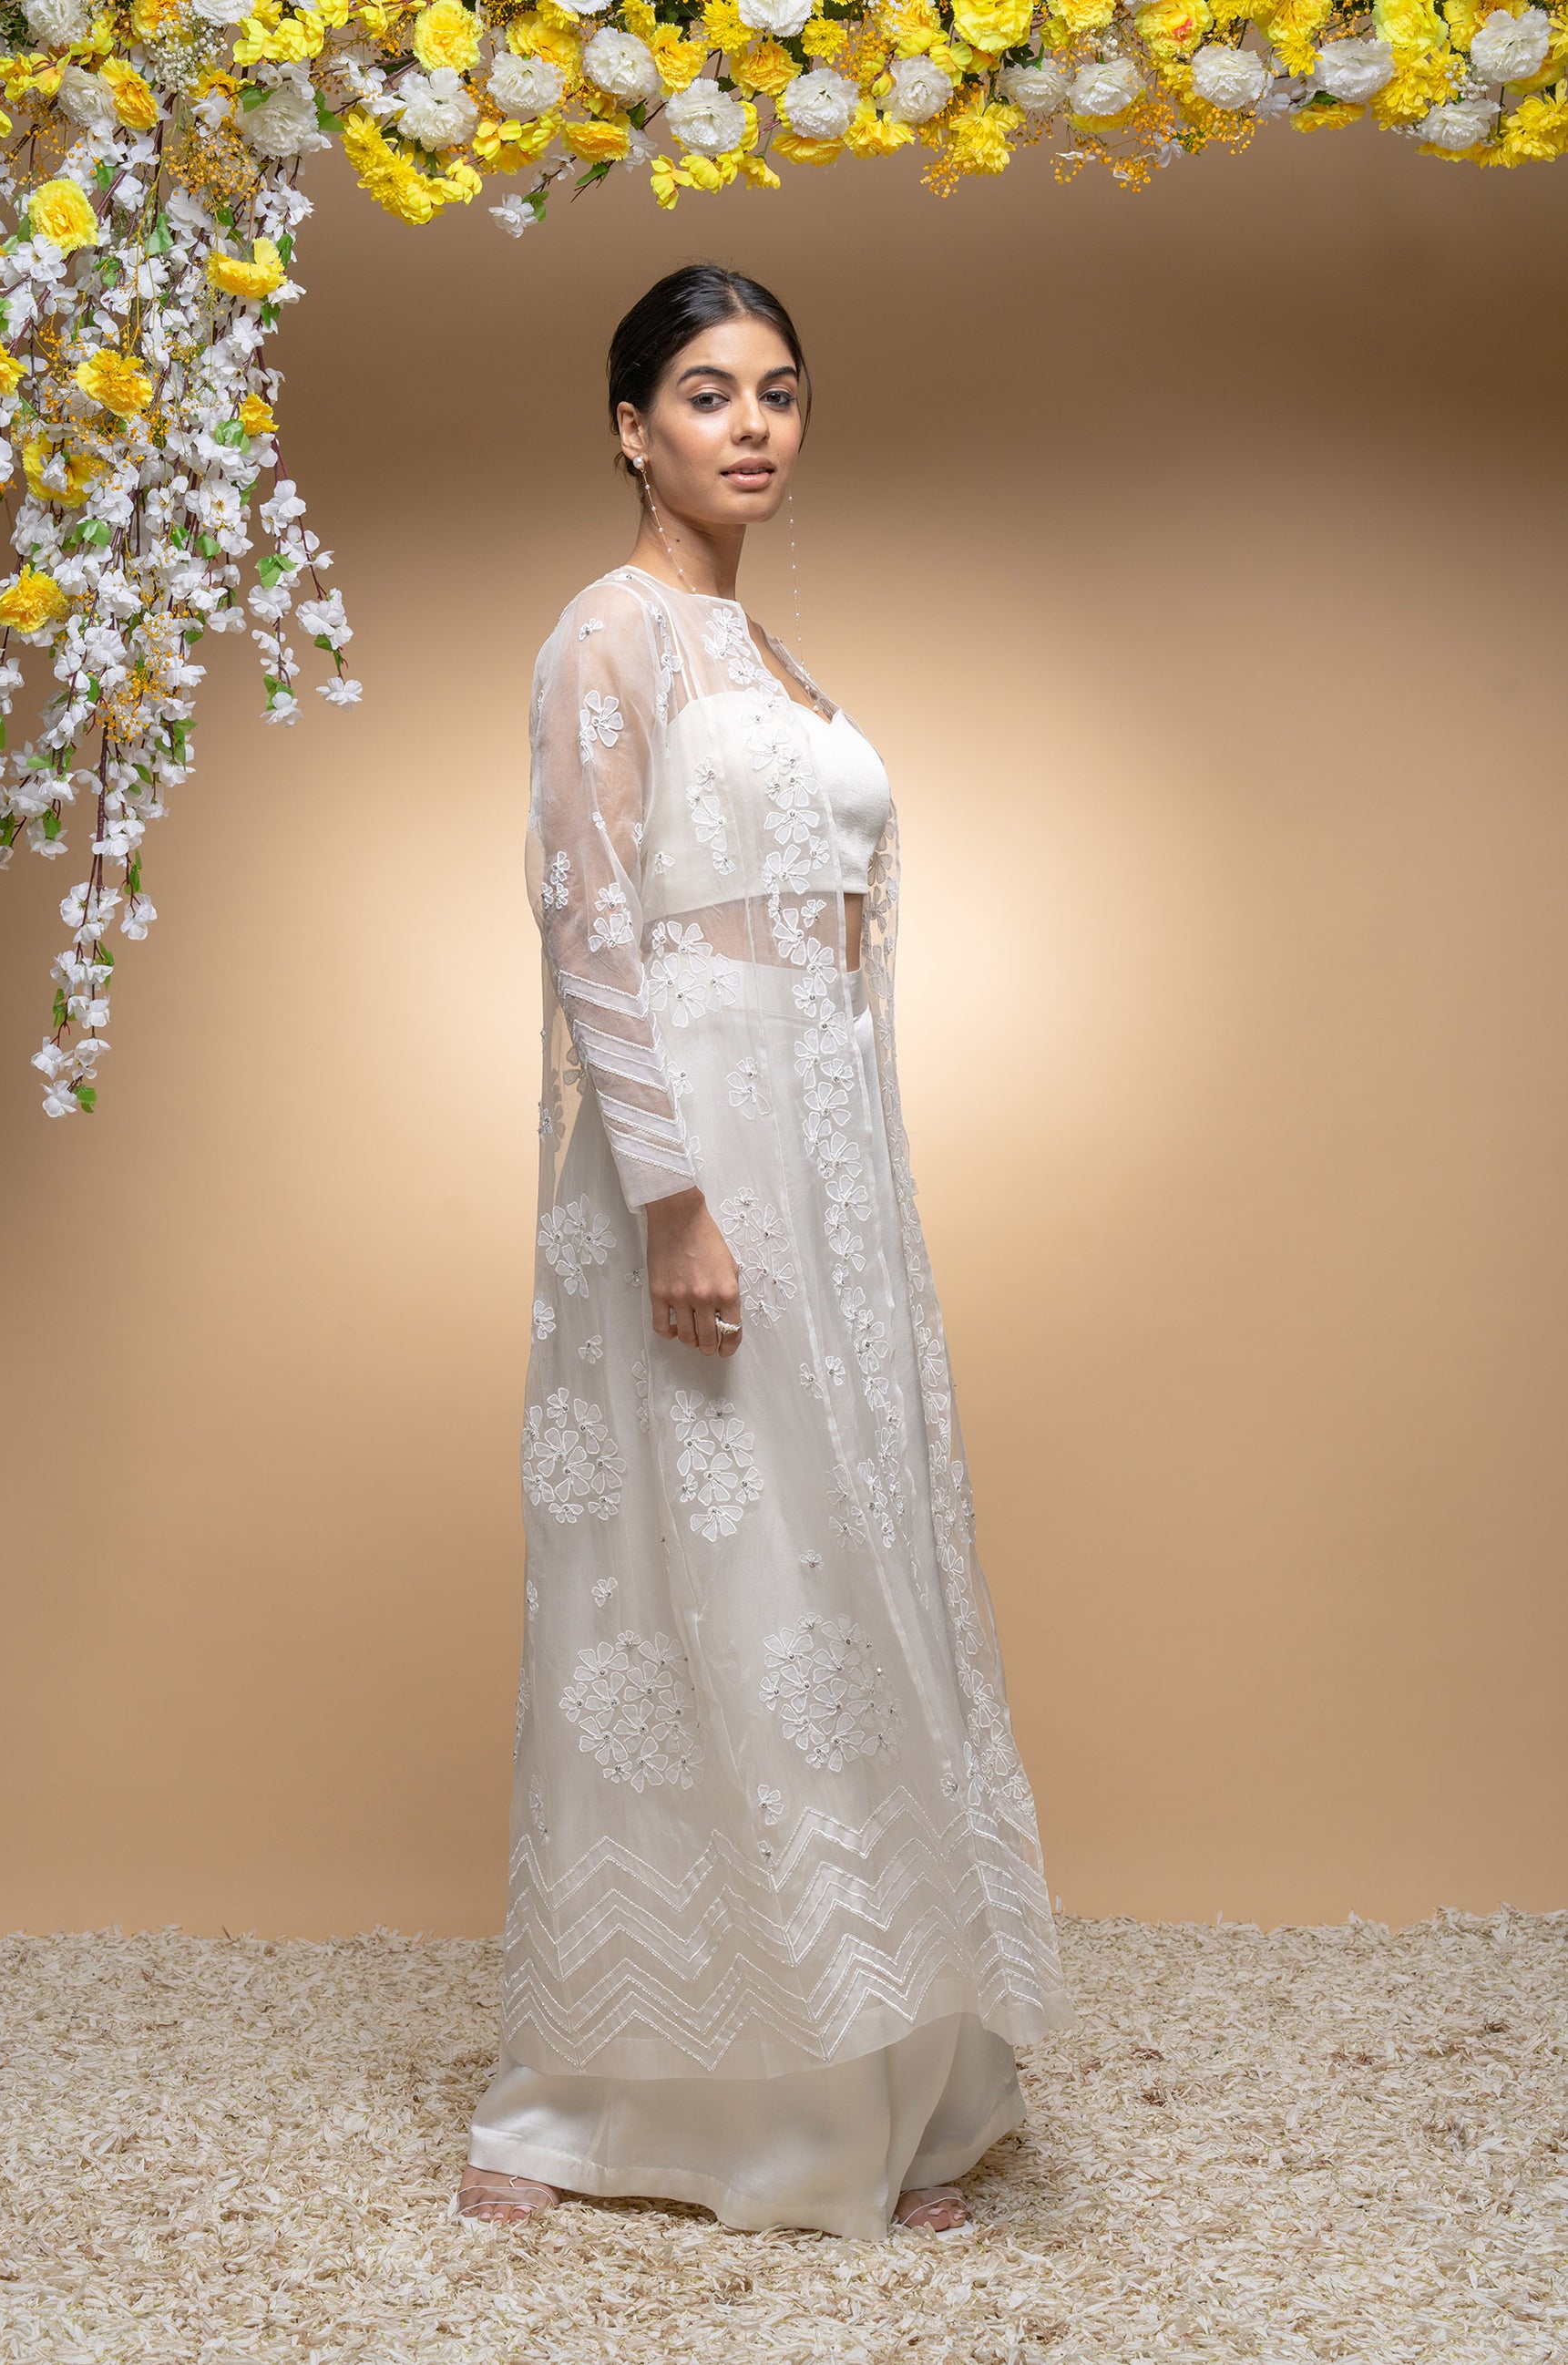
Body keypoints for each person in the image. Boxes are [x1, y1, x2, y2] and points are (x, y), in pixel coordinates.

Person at [452, 262, 1072, 2241]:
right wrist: (672, 1199)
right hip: (700, 1159)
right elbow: (587, 919)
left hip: (828, 1160)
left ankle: (886, 2071)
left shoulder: (768, 654)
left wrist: (841, 1186)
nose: (751, 425)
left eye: (779, 390)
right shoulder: (609, 631)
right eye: (707, 392)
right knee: (713, 1586)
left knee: (842, 1576)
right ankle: (669, 2098)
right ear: (629, 426)